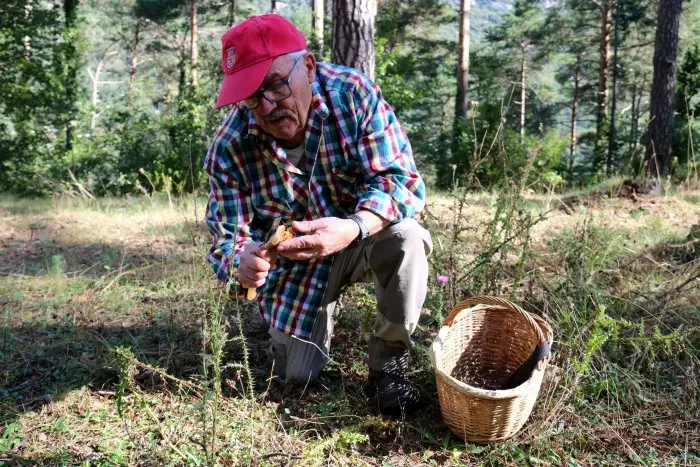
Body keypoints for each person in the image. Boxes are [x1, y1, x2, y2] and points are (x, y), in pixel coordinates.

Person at [204, 14, 432, 417]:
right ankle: (307, 327)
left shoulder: (353, 95)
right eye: (252, 96)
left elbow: (402, 183)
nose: (268, 106)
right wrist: (240, 259)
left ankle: (388, 363)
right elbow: (226, 238)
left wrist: (353, 226)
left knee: (406, 237)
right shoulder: (230, 147)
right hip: (295, 268)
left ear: (307, 67)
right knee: (295, 377)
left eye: (275, 84)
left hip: (359, 239)